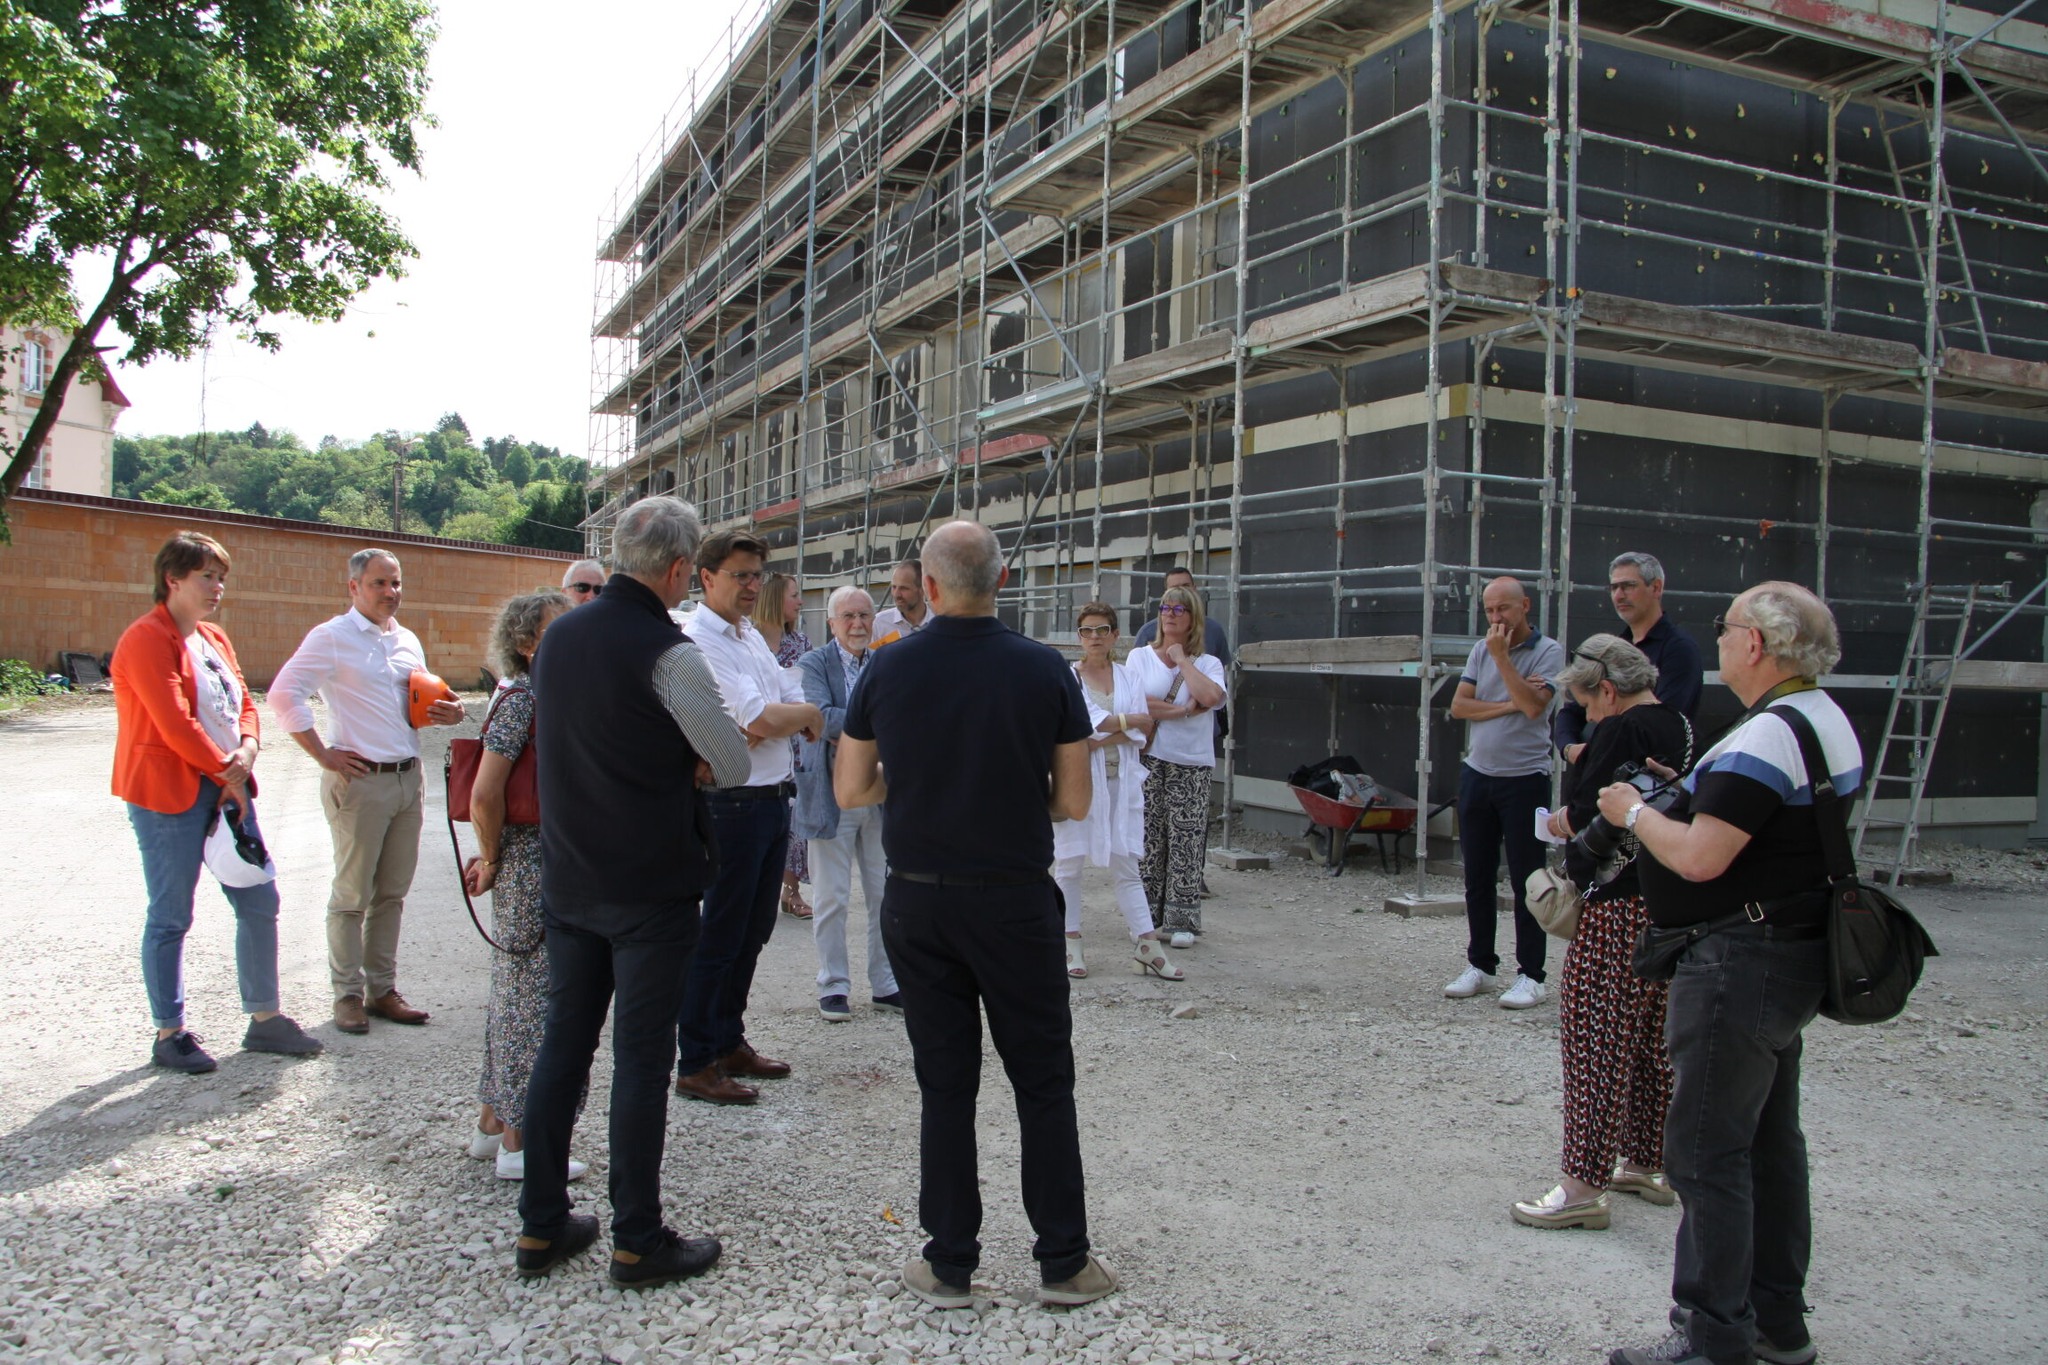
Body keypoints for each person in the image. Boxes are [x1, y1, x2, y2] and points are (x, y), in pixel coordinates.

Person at [835, 520, 1115, 1309]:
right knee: (1043, 1080)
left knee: (946, 1083)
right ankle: (1064, 1261)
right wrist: (1008, 788)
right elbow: (1074, 799)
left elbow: (852, 787)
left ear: (926, 586)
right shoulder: (1045, 668)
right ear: (1003, 580)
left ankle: (950, 1261)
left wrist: (914, 785)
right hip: (1015, 897)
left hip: (921, 897)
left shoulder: (887, 666)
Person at [1601, 583, 1855, 1365]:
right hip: (1788, 952)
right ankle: (1777, 1319)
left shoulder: (1769, 732)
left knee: (1707, 1149)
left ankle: (1712, 1334)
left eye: (1727, 625)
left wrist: (1634, 811)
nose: (1716, 638)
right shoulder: (1823, 716)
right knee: (1771, 1141)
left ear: (1756, 644)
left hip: (1738, 959)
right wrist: (1686, 793)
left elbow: (1703, 855)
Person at [513, 495, 752, 1288]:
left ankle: (541, 1222)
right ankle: (636, 1238)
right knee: (642, 1061)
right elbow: (732, 761)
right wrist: (686, 759)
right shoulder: (670, 653)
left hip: (571, 872)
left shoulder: (558, 636)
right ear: (681, 569)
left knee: (563, 1045)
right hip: (649, 882)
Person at [110, 532, 324, 1073]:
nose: (217, 586)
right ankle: (169, 1032)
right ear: (172, 579)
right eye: (206, 576)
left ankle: (265, 1019)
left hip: (228, 785)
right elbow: (174, 722)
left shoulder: (213, 637)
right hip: (168, 793)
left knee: (259, 899)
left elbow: (244, 702)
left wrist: (248, 749)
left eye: (221, 577)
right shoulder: (145, 638)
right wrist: (228, 772)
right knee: (171, 914)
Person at [1511, 634, 1690, 1232]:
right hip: (1666, 899)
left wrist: (1562, 823)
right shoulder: (1680, 725)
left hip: (1615, 902)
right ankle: (1646, 1161)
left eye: (1587, 703)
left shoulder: (1619, 728)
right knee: (1648, 1040)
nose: (1586, 716)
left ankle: (1582, 1185)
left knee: (1594, 1038)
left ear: (1608, 690)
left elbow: (1591, 811)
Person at [270, 548, 466, 1035]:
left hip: (407, 778)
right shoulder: (332, 637)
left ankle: (382, 990)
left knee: (391, 893)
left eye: (396, 582)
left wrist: (452, 711)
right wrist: (323, 754)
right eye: (379, 583)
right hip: (360, 783)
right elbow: (283, 693)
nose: (390, 592)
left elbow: (420, 704)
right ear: (354, 587)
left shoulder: (407, 640)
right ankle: (347, 995)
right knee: (352, 894)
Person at [675, 532, 824, 1105]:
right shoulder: (698, 641)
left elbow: (782, 691)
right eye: (740, 575)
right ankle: (697, 1060)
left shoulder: (748, 635)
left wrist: (790, 712)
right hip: (732, 802)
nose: (752, 586)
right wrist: (803, 716)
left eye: (757, 576)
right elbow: (758, 717)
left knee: (753, 931)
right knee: (720, 933)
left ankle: (727, 1040)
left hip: (769, 797)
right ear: (706, 577)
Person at [461, 590, 590, 1184]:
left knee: (516, 995)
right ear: (526, 643)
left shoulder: (549, 695)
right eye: (557, 628)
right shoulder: (523, 700)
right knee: (534, 1001)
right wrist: (490, 858)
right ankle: (522, 1140)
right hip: (531, 859)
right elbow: (485, 793)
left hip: (546, 856)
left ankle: (494, 1123)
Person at [1445, 576, 1565, 1010]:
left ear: (1525, 606)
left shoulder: (1549, 651)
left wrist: (1504, 662)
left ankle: (1531, 974)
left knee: (1527, 879)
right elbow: (1460, 706)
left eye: (1504, 609)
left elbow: (1534, 706)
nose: (1497, 618)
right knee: (1477, 876)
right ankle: (1480, 964)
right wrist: (1510, 702)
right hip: (1478, 773)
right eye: (1490, 610)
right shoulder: (1481, 649)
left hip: (1525, 778)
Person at [793, 586, 903, 1021]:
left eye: (864, 615)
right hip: (830, 792)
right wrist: (878, 729)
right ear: (832, 622)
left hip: (880, 794)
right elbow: (819, 717)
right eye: (848, 616)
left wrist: (854, 730)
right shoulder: (813, 664)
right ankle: (833, 985)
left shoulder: (885, 662)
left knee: (884, 894)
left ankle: (886, 985)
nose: (857, 624)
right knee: (831, 897)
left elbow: (900, 714)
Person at [1052, 602, 1175, 981]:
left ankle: (1148, 946)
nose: (1094, 637)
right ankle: (1070, 942)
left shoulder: (1128, 677)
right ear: (1079, 637)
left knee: (1127, 864)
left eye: (1102, 630)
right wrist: (1123, 724)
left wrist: (1106, 733)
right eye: (1087, 631)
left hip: (1122, 781)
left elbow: (1141, 730)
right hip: (1079, 780)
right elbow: (1083, 725)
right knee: (1069, 863)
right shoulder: (1069, 677)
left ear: (1114, 635)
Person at [1127, 585, 1227, 948]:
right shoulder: (1139, 656)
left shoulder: (1207, 663)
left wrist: (1183, 660)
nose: (1169, 614)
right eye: (1165, 608)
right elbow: (1138, 702)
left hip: (1192, 762)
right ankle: (1147, 919)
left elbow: (1212, 697)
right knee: (1149, 840)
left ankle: (1182, 920)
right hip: (1151, 757)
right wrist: (1184, 710)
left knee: (1187, 840)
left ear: (1192, 618)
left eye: (1178, 610)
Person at [1555, 552, 1704, 766]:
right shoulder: (1614, 646)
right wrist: (1570, 748)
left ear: (1656, 588)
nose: (1619, 595)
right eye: (1614, 587)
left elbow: (1661, 721)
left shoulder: (1680, 649)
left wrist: (1597, 749)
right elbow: (1572, 709)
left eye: (1628, 586)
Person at [753, 571, 814, 920]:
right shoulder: (748, 641)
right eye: (794, 595)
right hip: (756, 738)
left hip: (796, 741)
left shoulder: (801, 644)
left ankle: (791, 891)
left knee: (796, 819)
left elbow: (807, 692)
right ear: (776, 598)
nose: (800, 601)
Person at [1131, 567, 1232, 664]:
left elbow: (1219, 671)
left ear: (1194, 589)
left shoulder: (1214, 630)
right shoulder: (1147, 633)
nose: (1181, 592)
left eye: (1186, 586)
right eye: (1175, 588)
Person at [871, 557, 929, 641]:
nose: (896, 594)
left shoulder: (940, 620)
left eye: (904, 588)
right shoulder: (879, 623)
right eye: (894, 587)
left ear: (922, 589)